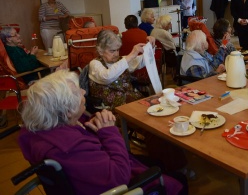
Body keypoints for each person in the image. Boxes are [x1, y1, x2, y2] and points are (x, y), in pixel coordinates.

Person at [18, 70, 185, 195]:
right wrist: (109, 131)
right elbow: (118, 177)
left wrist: (87, 127)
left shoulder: (46, 128)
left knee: (158, 162)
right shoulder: (70, 148)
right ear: (68, 111)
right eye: (78, 92)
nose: (84, 92)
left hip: (93, 173)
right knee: (179, 181)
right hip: (119, 183)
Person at [88, 29, 155, 112]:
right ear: (100, 51)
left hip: (131, 102)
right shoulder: (94, 64)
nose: (116, 54)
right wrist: (131, 55)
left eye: (117, 50)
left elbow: (142, 61)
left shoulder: (122, 60)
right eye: (112, 51)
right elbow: (107, 77)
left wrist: (150, 47)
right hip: (111, 109)